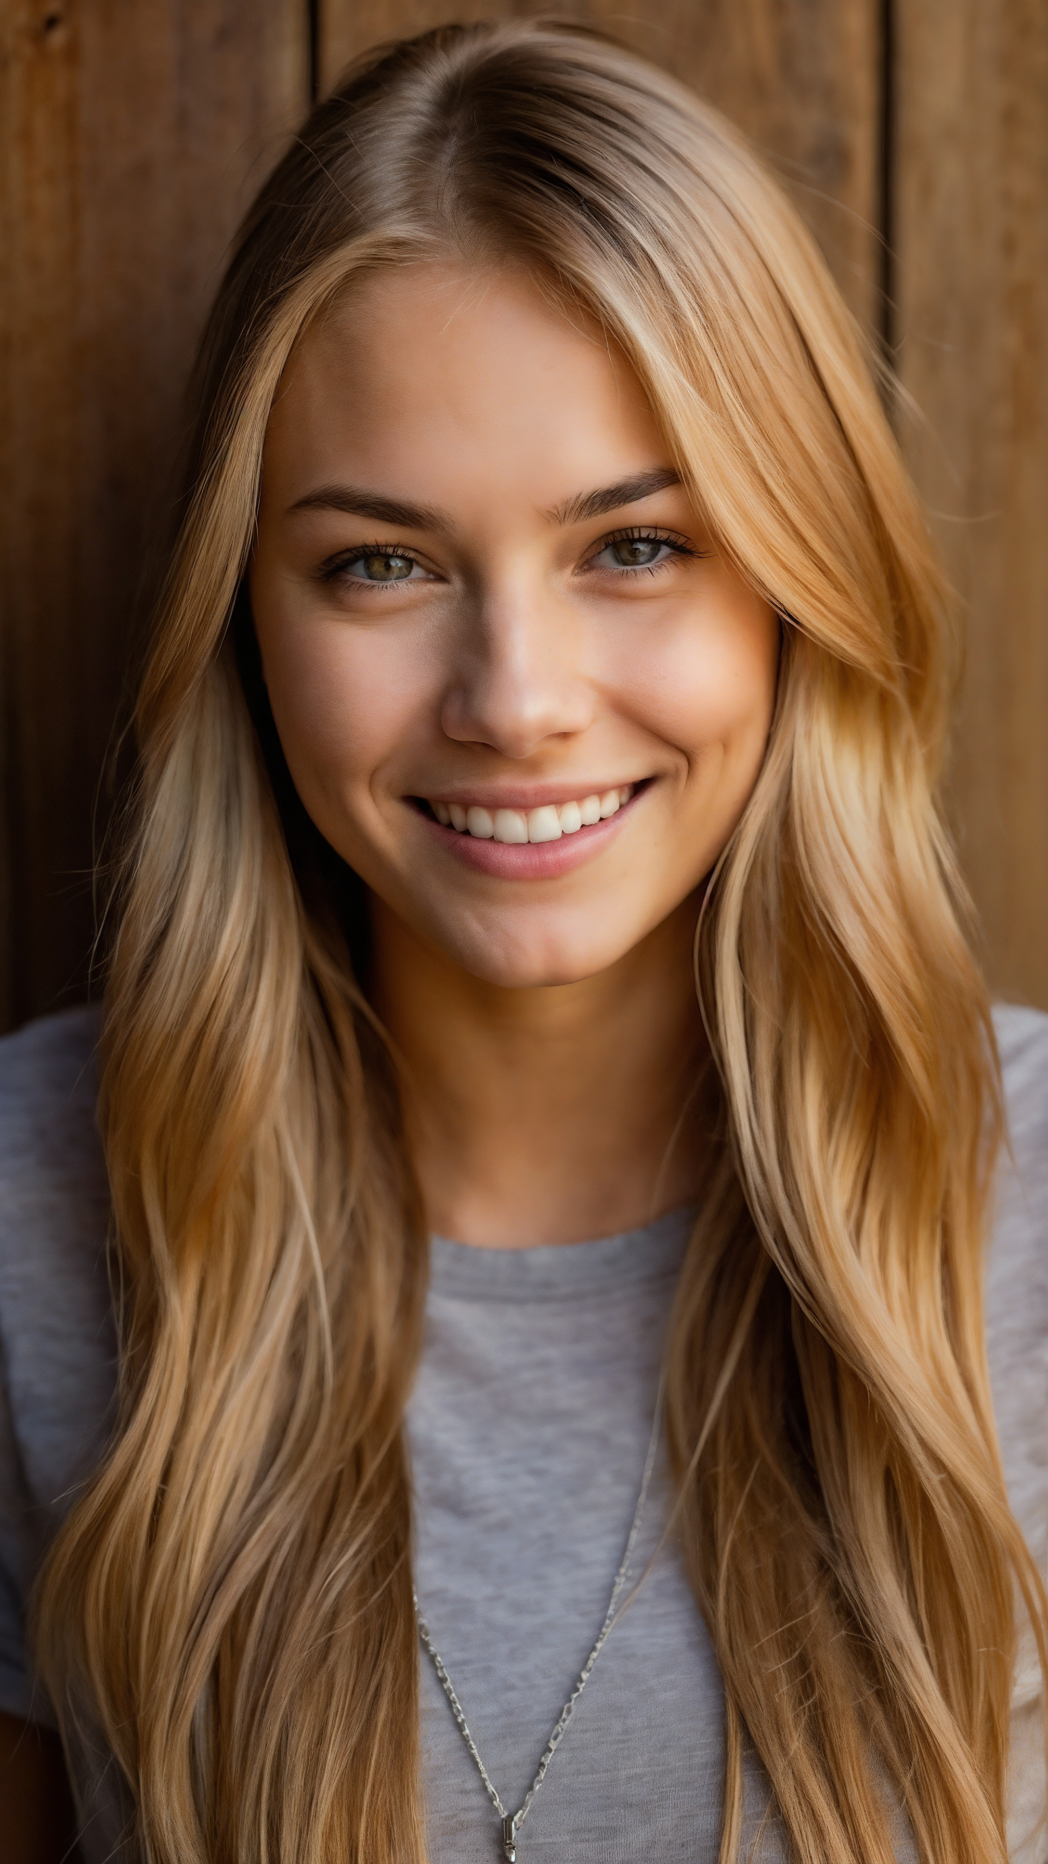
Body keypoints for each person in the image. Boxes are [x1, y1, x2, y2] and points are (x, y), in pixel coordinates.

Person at [1, 20, 1046, 1864]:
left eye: (635, 547)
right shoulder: (27, 1209)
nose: (517, 698)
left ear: (802, 585)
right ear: (244, 618)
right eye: (381, 564)